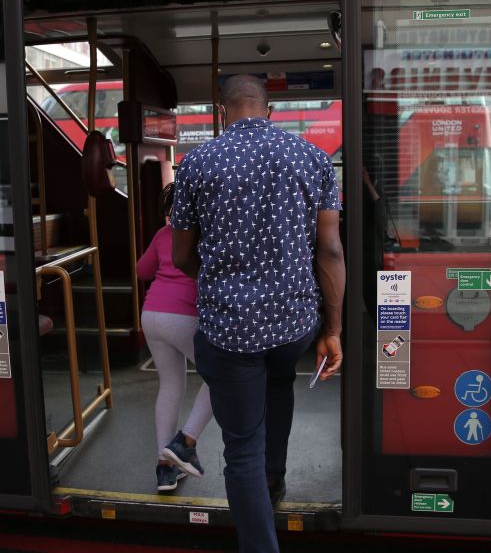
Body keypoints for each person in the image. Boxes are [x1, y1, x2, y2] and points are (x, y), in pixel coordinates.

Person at [170, 74, 345, 553]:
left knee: (241, 445)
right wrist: (333, 330)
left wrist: (221, 275)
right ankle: (275, 482)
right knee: (279, 381)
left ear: (223, 108)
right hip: (293, 323)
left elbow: (182, 255)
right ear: (269, 109)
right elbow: (329, 251)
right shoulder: (311, 157)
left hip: (229, 329)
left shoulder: (197, 162)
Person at [136, 182, 213, 492]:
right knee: (223, 376)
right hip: (183, 317)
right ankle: (184, 442)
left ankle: (165, 467)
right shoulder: (208, 234)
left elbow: (142, 271)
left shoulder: (162, 235)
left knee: (170, 385)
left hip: (151, 315)